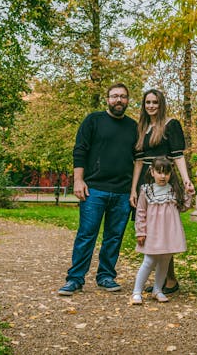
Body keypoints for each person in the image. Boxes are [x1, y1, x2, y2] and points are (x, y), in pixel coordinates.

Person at [58, 83, 138, 296]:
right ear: (107, 99)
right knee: (86, 234)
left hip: (122, 191)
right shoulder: (93, 120)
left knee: (114, 236)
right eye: (114, 96)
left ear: (128, 100)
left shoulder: (134, 127)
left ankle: (106, 276)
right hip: (94, 190)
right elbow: (80, 150)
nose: (118, 100)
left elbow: (138, 161)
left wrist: (133, 190)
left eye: (122, 96)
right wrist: (78, 180)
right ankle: (75, 279)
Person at [130, 88, 194, 295]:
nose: (151, 106)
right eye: (147, 102)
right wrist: (133, 190)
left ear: (161, 104)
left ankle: (170, 279)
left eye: (155, 102)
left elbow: (178, 156)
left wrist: (186, 180)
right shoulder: (142, 128)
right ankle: (163, 279)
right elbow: (138, 162)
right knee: (151, 228)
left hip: (164, 178)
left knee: (165, 228)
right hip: (145, 182)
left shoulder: (170, 125)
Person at [130, 156, 193, 304]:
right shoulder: (146, 190)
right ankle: (136, 292)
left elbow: (183, 207)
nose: (163, 176)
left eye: (166, 172)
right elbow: (140, 212)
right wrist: (140, 231)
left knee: (165, 261)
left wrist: (189, 193)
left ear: (170, 174)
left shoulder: (173, 190)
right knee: (149, 260)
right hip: (153, 233)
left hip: (169, 233)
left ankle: (157, 290)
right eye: (159, 172)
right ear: (152, 172)